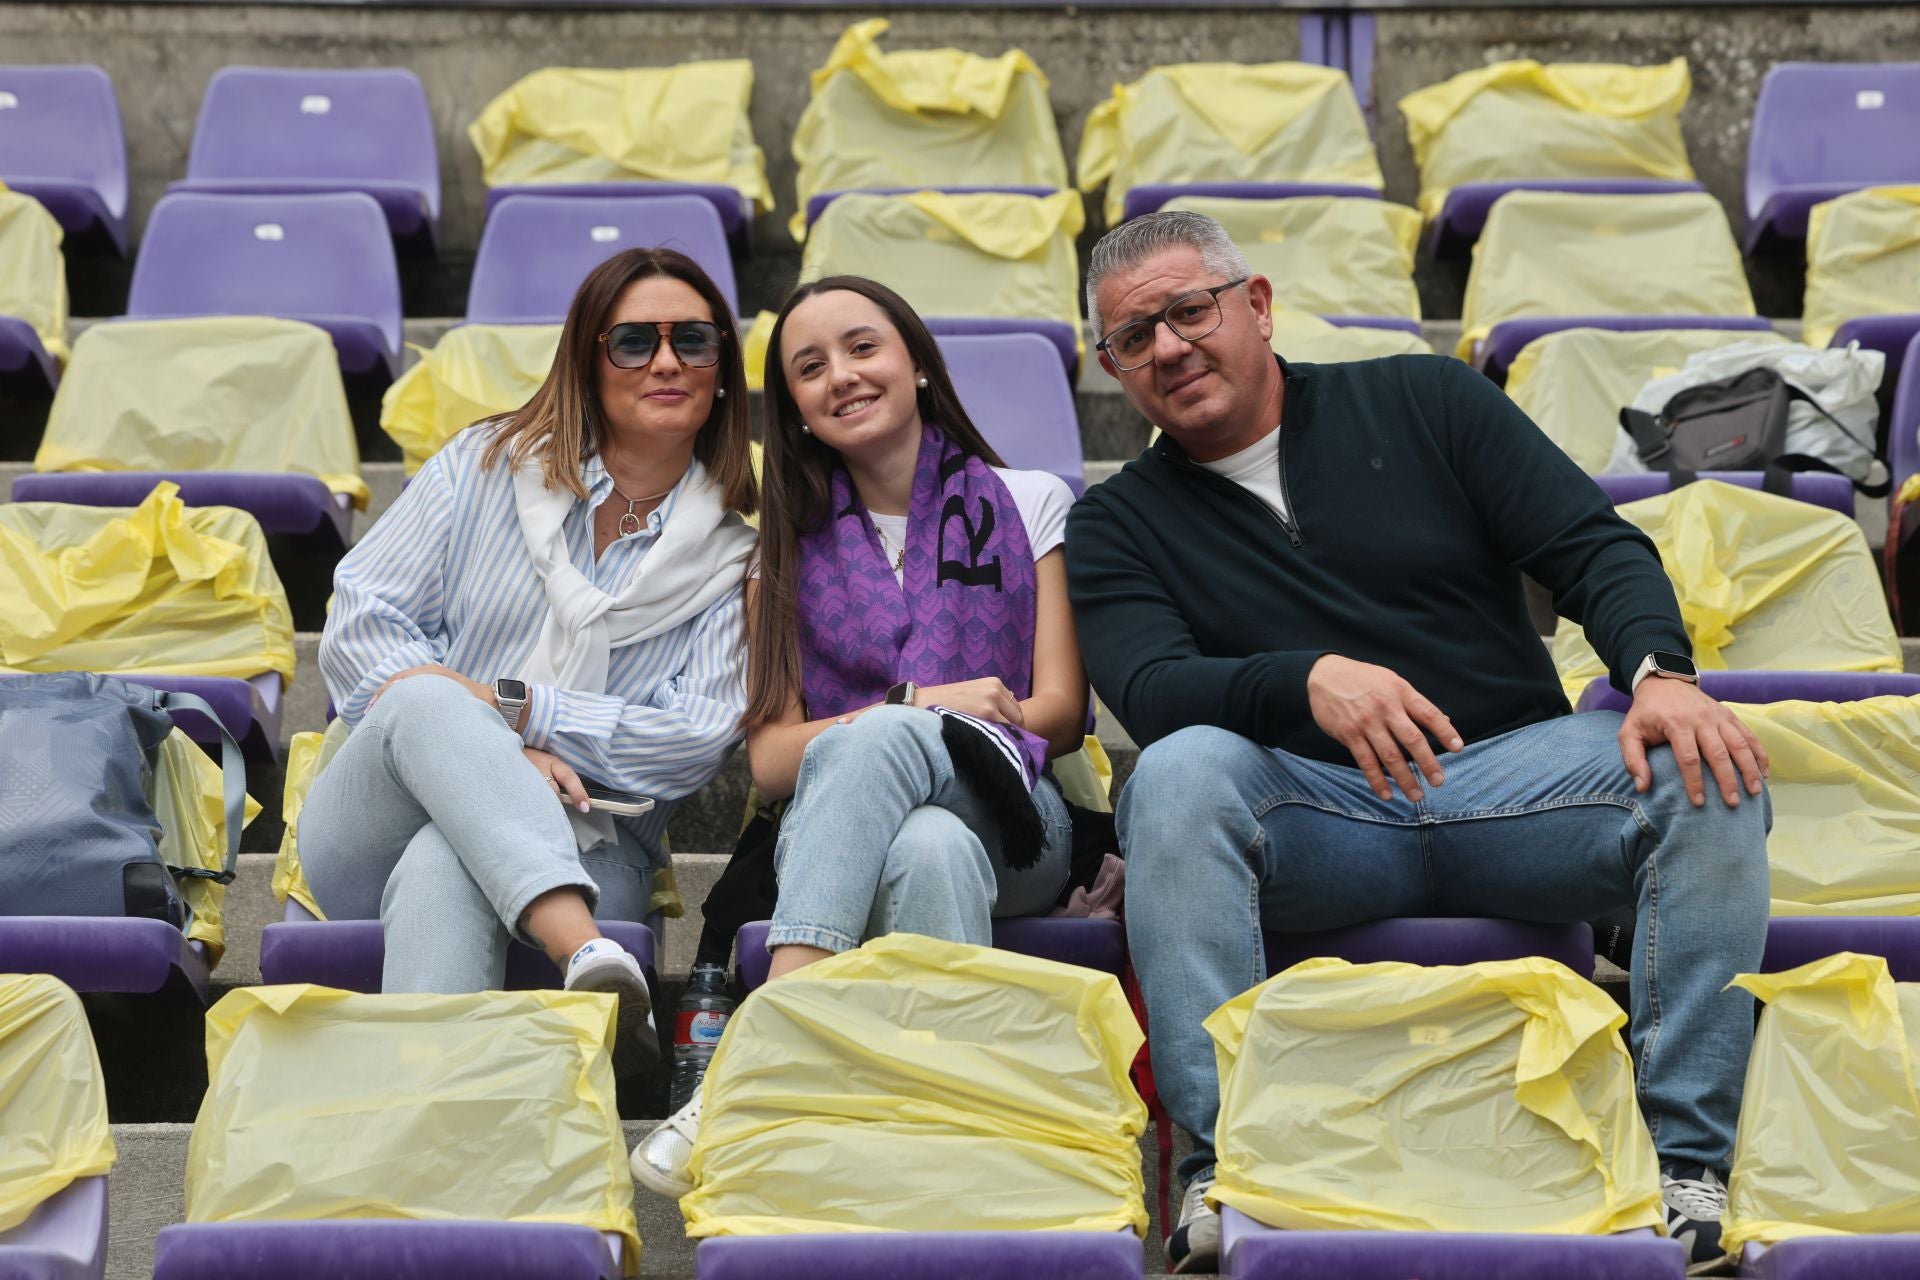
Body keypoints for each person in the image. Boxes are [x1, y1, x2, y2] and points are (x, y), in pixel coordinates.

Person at [1066, 211, 1771, 1273]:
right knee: (1173, 775)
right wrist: (1305, 676)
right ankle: (1221, 1166)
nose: (1167, 347)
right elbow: (1153, 687)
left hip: (1510, 782)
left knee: (1699, 759)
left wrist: (1659, 672)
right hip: (1311, 812)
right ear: (1113, 366)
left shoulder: (1427, 398)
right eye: (1133, 337)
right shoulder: (1117, 520)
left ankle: (1684, 1161)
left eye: (1187, 310)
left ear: (1254, 304)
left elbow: (1592, 546)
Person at [629, 275, 1088, 1196]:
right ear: (792, 407)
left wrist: (912, 722)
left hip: (1019, 818)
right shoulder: (776, 550)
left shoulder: (1028, 500)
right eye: (810, 367)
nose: (841, 374)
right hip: (854, 837)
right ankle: (961, 1152)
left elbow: (1062, 715)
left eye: (862, 347)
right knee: (926, 846)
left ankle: (763, 1049)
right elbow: (768, 762)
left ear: (916, 363)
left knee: (882, 743)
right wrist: (922, 703)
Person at [303, 247, 758, 1076]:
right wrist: (507, 744)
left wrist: (519, 712)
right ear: (587, 360)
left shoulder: (742, 554)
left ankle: (427, 1140)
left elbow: (694, 739)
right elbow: (362, 628)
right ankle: (583, 952)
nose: (665, 361)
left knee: (451, 856)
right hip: (375, 817)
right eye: (632, 342)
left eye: (692, 340)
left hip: (594, 845)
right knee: (422, 700)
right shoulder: (483, 466)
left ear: (722, 370)